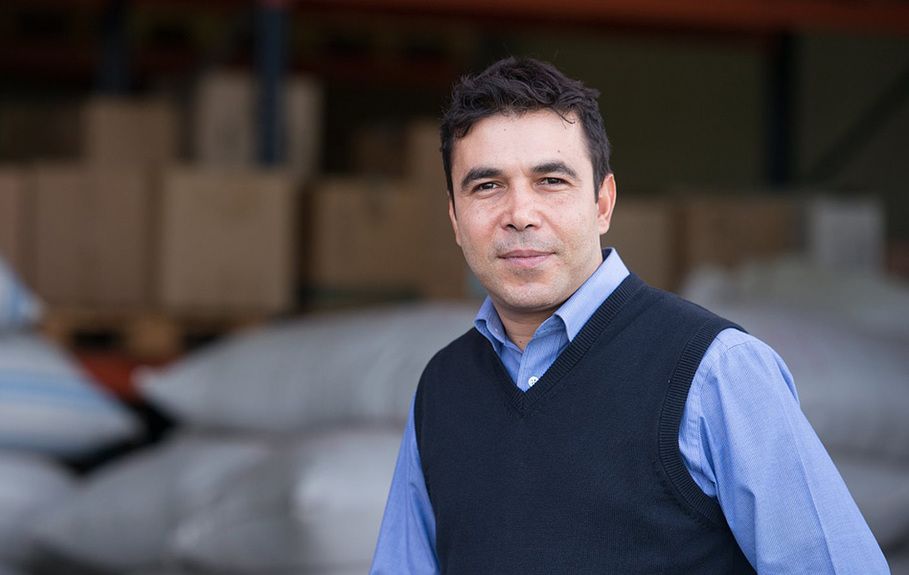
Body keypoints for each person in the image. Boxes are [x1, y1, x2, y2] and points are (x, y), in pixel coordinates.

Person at [370, 57, 888, 574]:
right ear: (455, 218)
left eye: (551, 180)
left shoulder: (716, 373)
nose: (520, 214)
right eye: (487, 186)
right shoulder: (443, 389)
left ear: (603, 203)